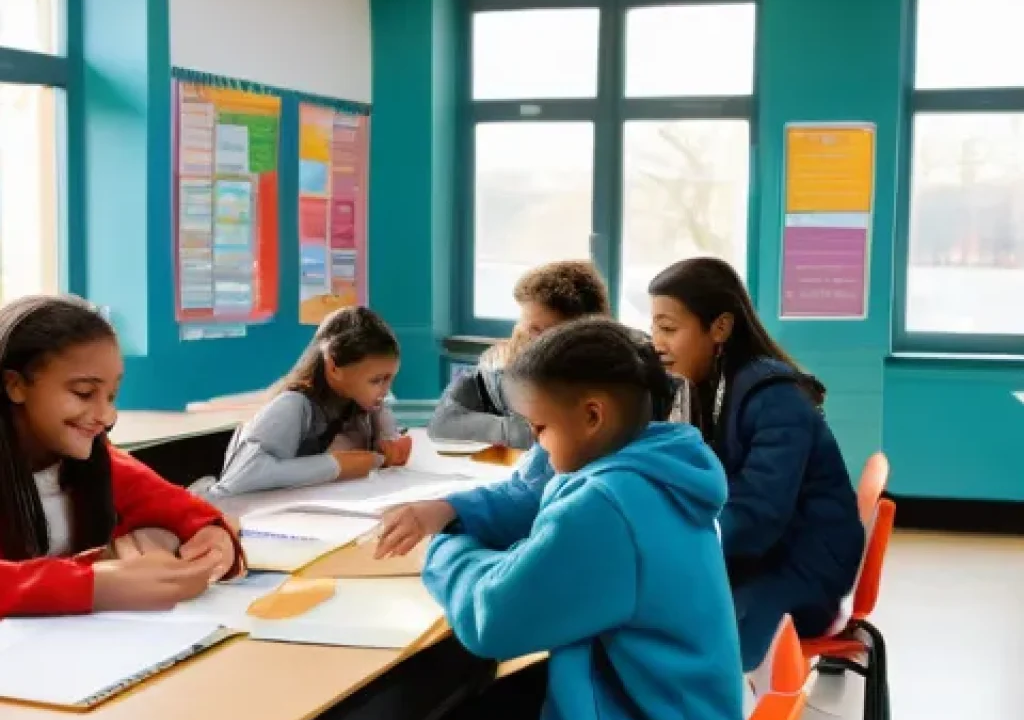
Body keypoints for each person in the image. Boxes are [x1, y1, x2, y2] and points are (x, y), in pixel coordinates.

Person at [360, 317, 744, 720]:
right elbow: (533, 519)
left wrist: (443, 548)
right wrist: (457, 518)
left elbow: (492, 621)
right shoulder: (656, 467)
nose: (536, 446)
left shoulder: (607, 505)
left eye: (540, 429)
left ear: (591, 416)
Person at [648, 257, 865, 670]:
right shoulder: (712, 385)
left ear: (720, 328)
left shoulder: (773, 397)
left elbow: (759, 512)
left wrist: (680, 546)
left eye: (669, 329)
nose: (657, 343)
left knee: (691, 636)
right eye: (654, 328)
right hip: (766, 556)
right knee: (658, 612)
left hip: (803, 568)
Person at [0, 295, 242, 619]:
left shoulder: (101, 463)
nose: (107, 416)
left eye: (112, 396)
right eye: (84, 393)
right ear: (15, 385)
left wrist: (214, 538)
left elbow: (187, 511)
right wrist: (96, 585)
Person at [205, 307, 412, 498]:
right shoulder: (293, 405)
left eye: (390, 379)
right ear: (334, 367)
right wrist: (338, 465)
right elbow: (241, 477)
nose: (385, 391)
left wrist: (388, 444)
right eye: (377, 380)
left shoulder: (363, 402)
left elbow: (386, 442)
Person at [428, 260, 611, 449]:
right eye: (523, 322)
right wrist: (518, 430)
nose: (523, 335)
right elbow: (443, 424)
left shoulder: (606, 386)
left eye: (538, 331)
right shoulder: (497, 370)